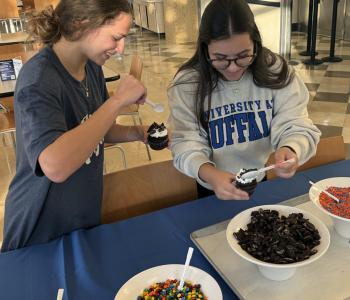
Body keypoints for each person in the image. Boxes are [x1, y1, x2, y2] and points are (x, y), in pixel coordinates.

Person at [2, 0, 147, 252]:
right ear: (82, 24)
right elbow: (55, 166)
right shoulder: (39, 80)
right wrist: (116, 102)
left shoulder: (91, 66)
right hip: (40, 228)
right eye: (116, 38)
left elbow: (94, 129)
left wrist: (136, 132)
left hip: (80, 215)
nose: (120, 48)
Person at [168, 0, 321, 201]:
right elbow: (185, 141)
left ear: (255, 44)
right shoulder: (188, 84)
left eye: (243, 56)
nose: (233, 68)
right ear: (205, 50)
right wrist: (210, 174)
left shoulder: (275, 71)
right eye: (220, 58)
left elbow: (296, 123)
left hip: (259, 178)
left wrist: (291, 147)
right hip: (210, 185)